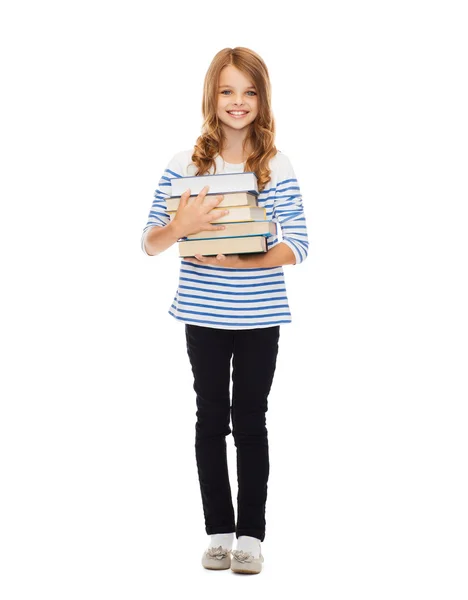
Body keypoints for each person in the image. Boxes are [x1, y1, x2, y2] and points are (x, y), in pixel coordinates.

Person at [140, 47, 309, 574]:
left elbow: (298, 244)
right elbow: (149, 242)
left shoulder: (275, 166)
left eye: (250, 91)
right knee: (211, 417)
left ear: (263, 98)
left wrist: (237, 262)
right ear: (212, 96)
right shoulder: (184, 166)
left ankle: (251, 537)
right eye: (228, 90)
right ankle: (218, 531)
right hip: (203, 313)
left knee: (250, 419)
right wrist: (180, 229)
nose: (239, 102)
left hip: (259, 316)